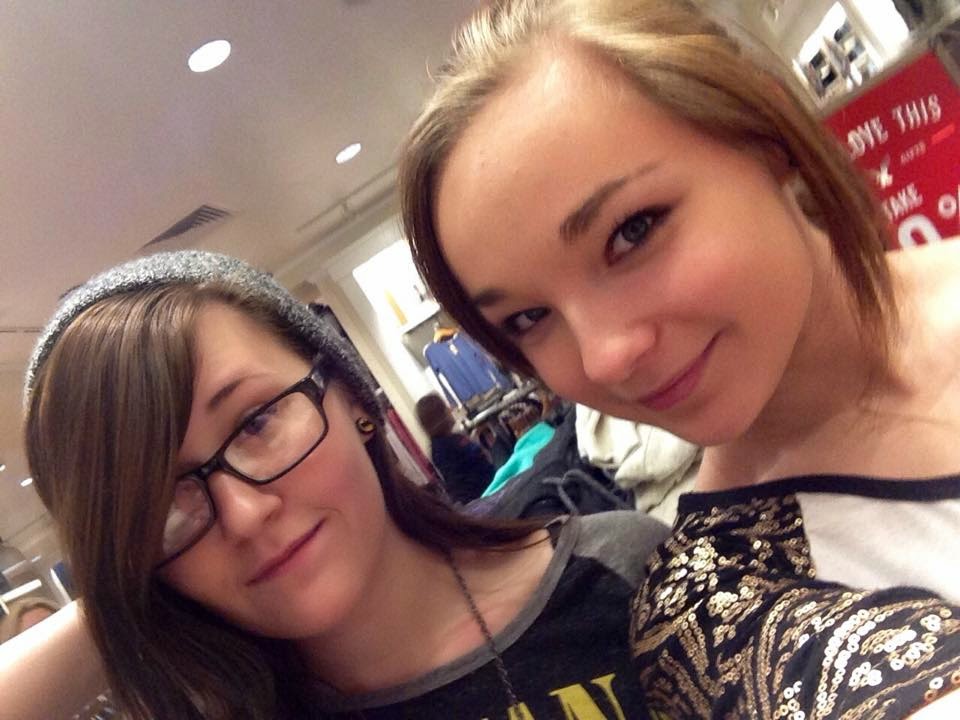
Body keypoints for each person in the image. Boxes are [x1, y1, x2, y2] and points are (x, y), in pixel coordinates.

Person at [399, 0, 960, 716]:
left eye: (631, 231)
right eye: (529, 319)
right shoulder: (718, 604)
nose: (604, 358)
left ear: (763, 133)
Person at [1, 250, 668, 720]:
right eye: (160, 501)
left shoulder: (616, 575)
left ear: (349, 394)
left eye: (256, 422)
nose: (244, 514)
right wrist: (118, 602)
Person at [414, 391, 495, 503]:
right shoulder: (447, 445)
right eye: (445, 407)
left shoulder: (440, 446)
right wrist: (478, 444)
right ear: (440, 416)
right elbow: (478, 462)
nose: (450, 409)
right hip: (484, 496)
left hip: (479, 497)